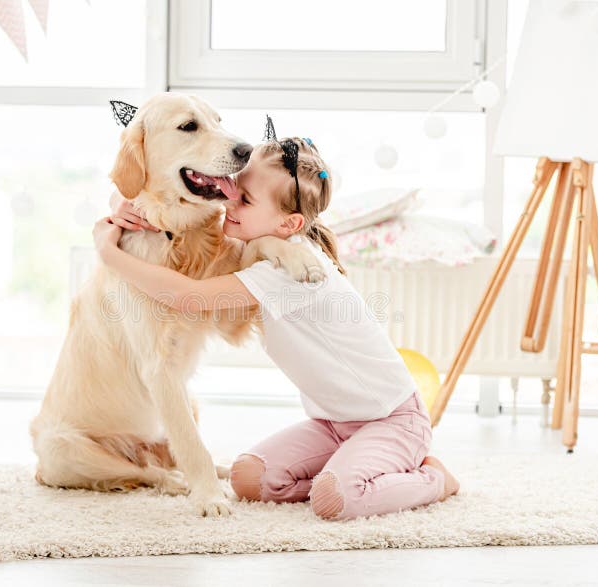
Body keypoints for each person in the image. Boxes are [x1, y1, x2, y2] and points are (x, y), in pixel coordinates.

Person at [92, 136, 459, 520]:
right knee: (247, 479)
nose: (228, 201)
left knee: (337, 500)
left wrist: (109, 254)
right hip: (332, 424)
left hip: (391, 420)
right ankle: (347, 469)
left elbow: (189, 297)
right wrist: (123, 201)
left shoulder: (290, 270)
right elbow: (169, 191)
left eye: (244, 200)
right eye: (233, 190)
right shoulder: (265, 247)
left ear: (289, 223)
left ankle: (434, 479)